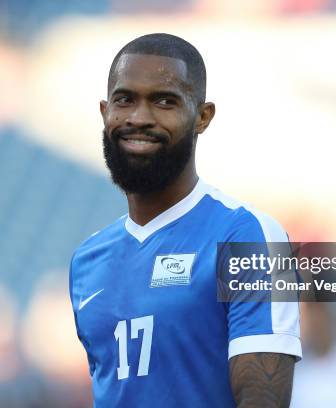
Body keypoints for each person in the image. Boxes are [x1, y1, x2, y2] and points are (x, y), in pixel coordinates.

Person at [69, 33, 301, 407]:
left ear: (202, 117)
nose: (139, 117)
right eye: (124, 99)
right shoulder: (86, 261)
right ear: (104, 112)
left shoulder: (248, 237)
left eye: (164, 101)